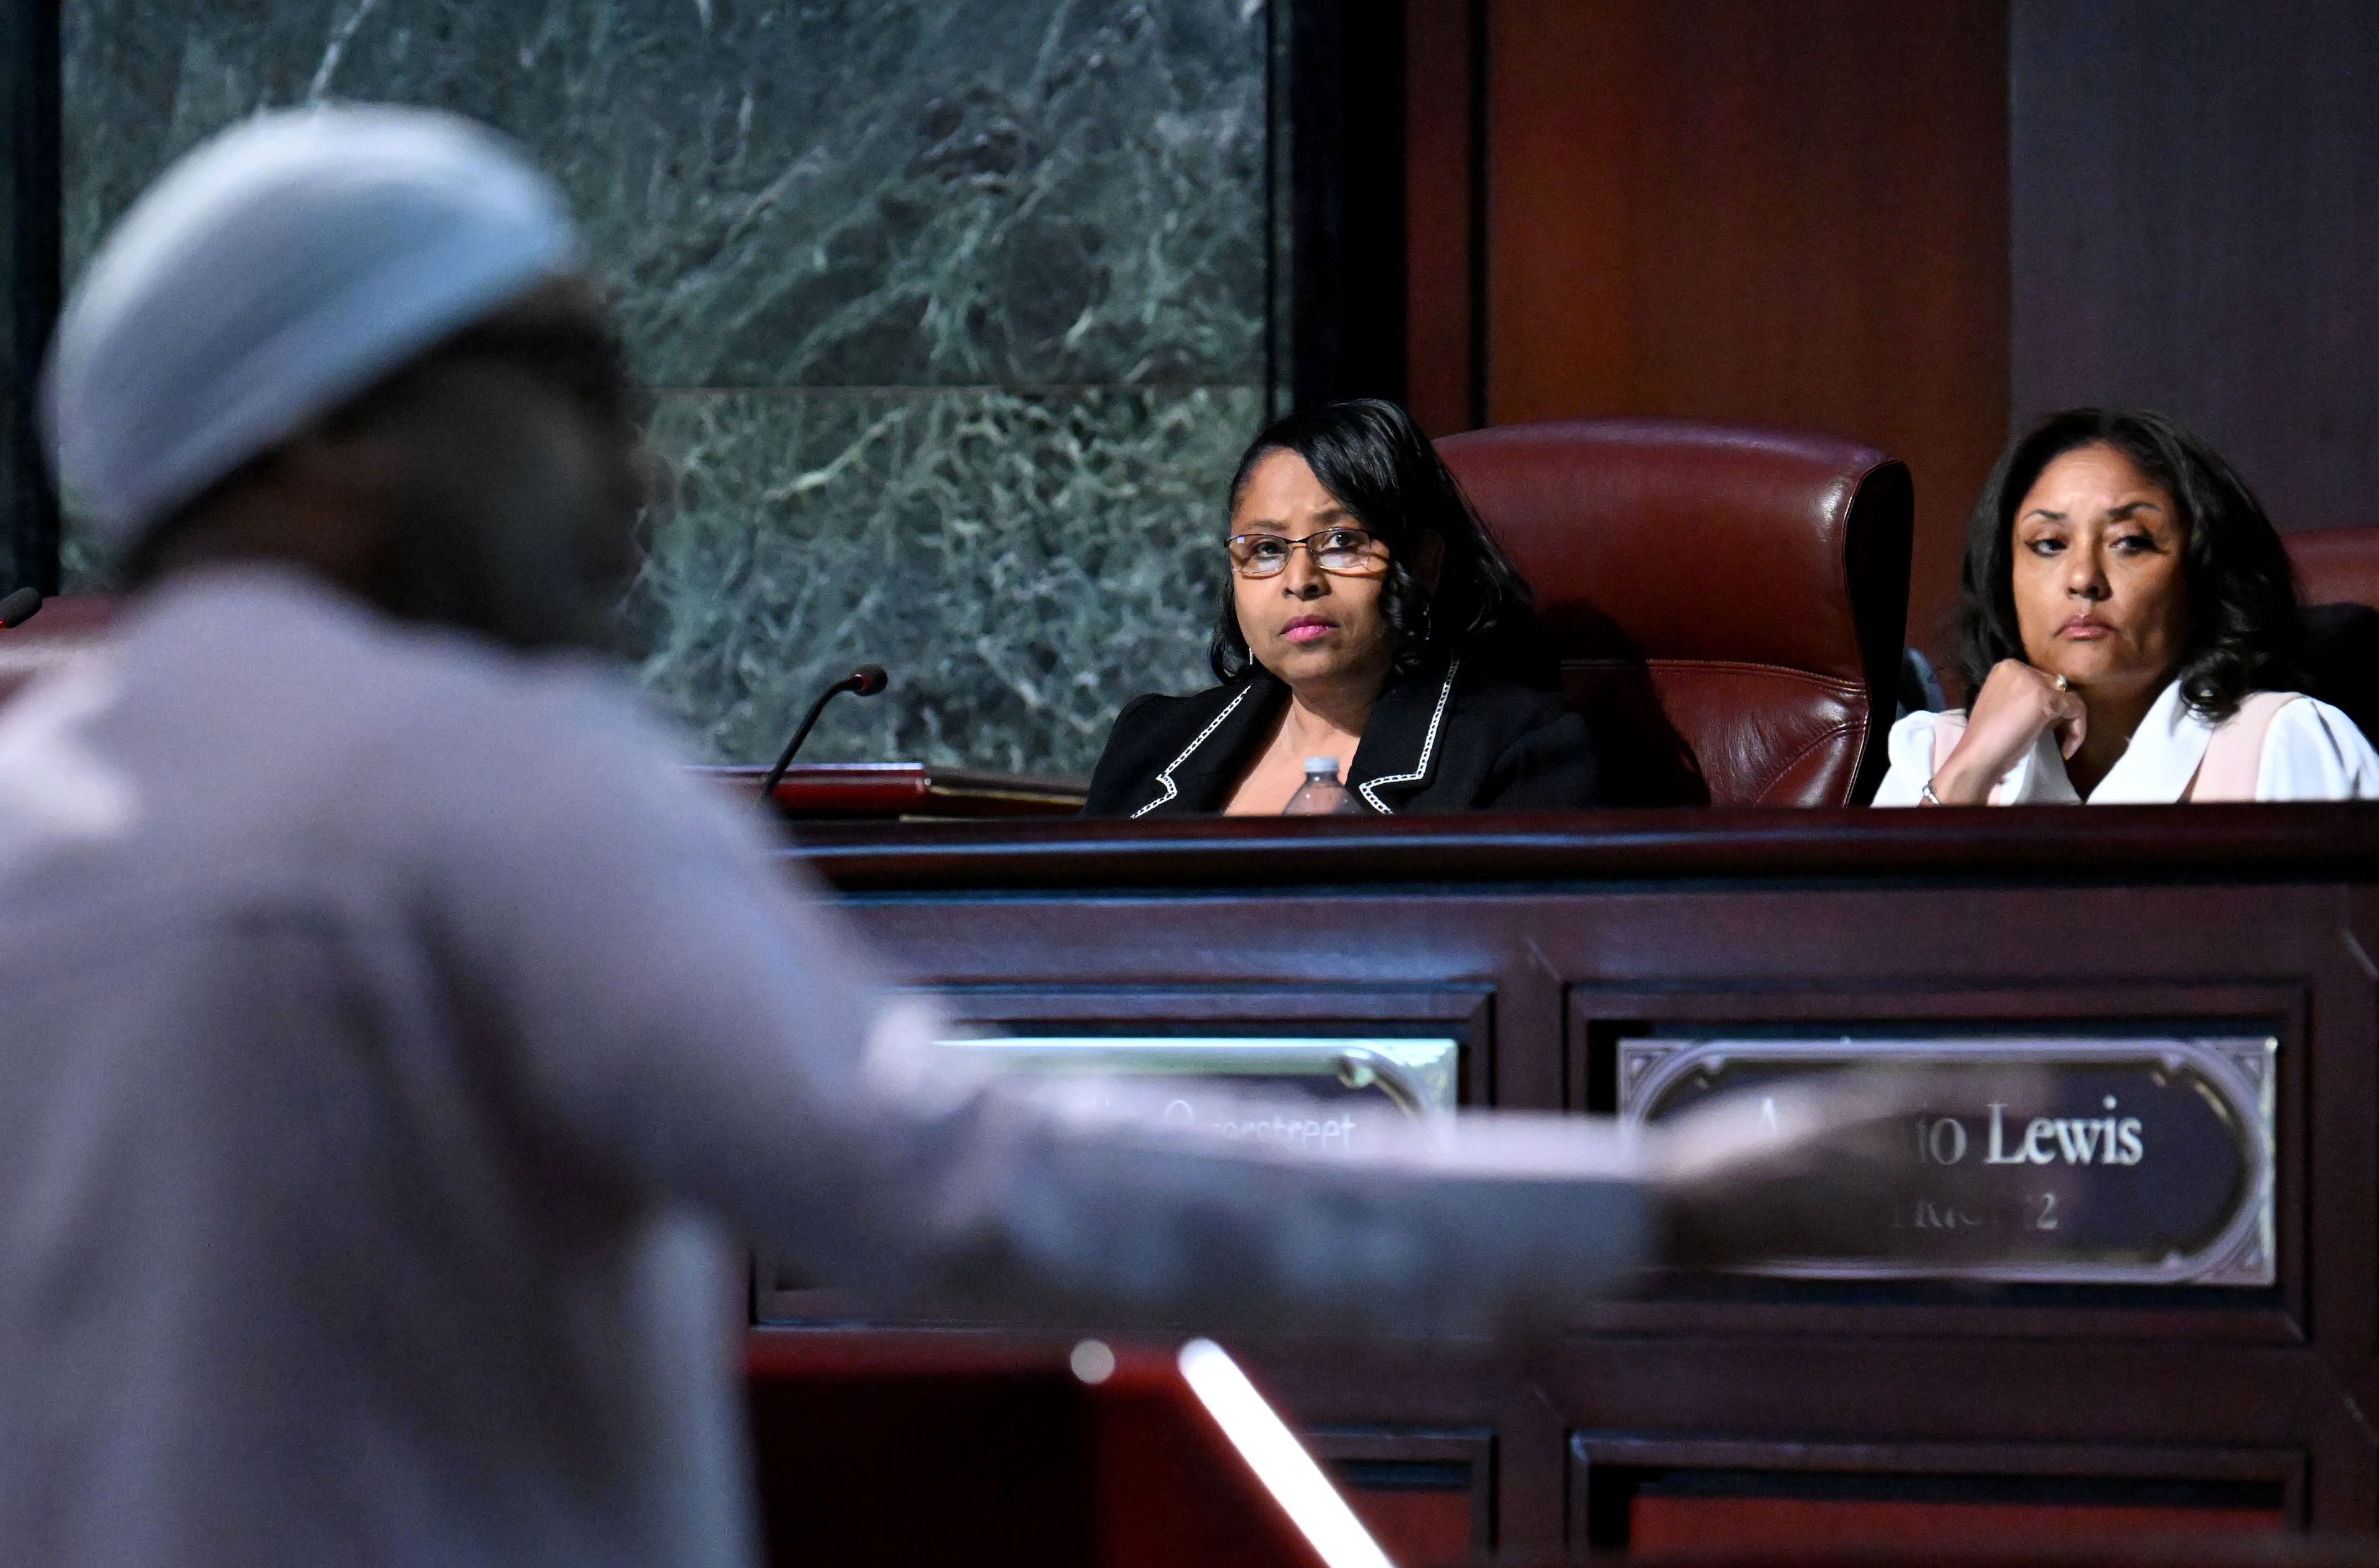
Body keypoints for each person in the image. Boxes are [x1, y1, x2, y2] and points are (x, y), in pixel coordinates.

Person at [2, 107, 1945, 1568]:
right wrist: (1656, 1199)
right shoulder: (484, 764)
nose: (645, 463)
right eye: (576, 384)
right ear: (336, 435)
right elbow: (949, 1181)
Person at [1082, 400, 1597, 816]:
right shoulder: (1149, 743)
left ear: (1424, 563)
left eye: (1341, 542)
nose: (1300, 581)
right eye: (1265, 549)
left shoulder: (1519, 752)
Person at [1874, 408, 2379, 805]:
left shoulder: (2283, 743)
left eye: (2131, 542)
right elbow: (1872, 938)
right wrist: (1969, 773)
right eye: (2049, 544)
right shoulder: (1936, 751)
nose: (2083, 579)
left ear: (2202, 575)